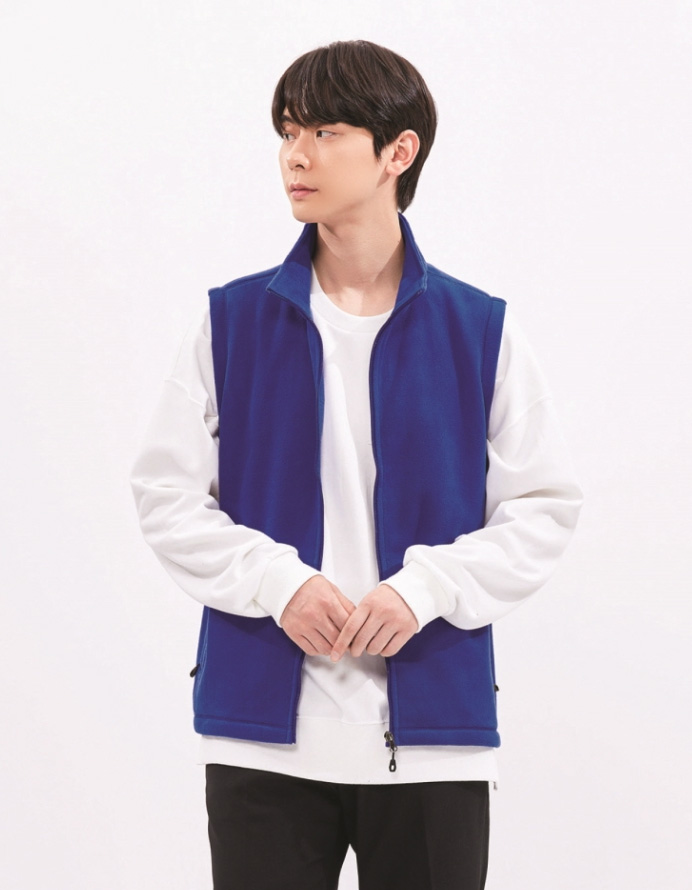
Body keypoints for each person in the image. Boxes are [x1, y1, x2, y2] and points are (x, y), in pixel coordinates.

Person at [130, 39, 582, 890]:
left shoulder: (479, 330)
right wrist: (278, 583)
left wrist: (426, 590)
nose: (295, 155)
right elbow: (164, 494)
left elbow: (546, 505)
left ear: (397, 152)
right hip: (264, 743)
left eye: (325, 132)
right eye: (287, 132)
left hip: (432, 747)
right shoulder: (230, 323)